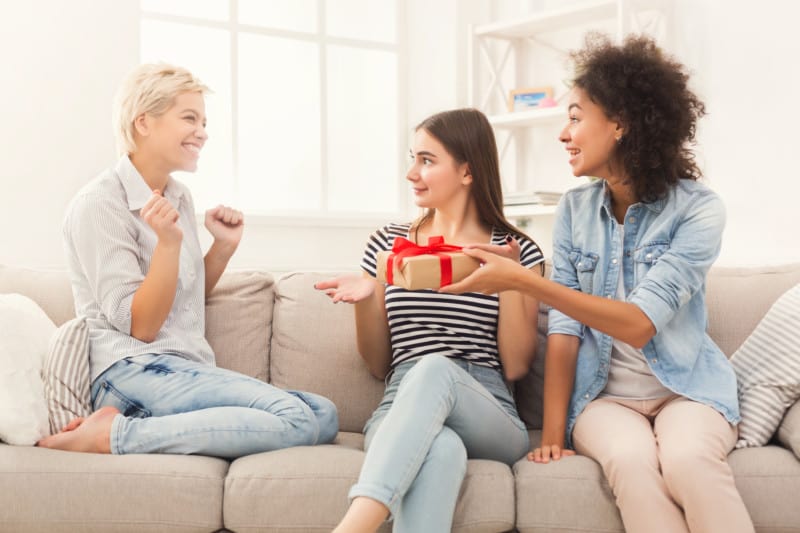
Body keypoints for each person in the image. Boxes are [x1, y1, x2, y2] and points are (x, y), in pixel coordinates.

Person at [441, 34, 754, 533]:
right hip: (604, 398)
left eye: (575, 116)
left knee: (688, 462)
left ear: (621, 124)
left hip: (687, 391)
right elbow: (564, 330)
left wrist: (527, 282)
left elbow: (638, 324)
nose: (563, 134)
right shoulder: (574, 209)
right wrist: (553, 430)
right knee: (631, 464)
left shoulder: (698, 209)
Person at [37, 63, 338, 458]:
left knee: (323, 413)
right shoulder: (100, 203)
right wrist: (168, 246)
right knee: (296, 418)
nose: (203, 132)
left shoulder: (177, 195)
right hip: (131, 368)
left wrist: (222, 248)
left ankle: (139, 430)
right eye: (189, 118)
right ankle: (111, 436)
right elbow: (142, 326)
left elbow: (182, 299)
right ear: (144, 122)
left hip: (184, 367)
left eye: (204, 121)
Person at [315, 108, 545, 532]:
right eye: (412, 158)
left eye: (426, 160)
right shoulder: (388, 244)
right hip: (401, 402)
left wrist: (511, 278)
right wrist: (368, 299)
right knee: (440, 448)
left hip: (489, 409)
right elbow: (378, 364)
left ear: (467, 172)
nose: (411, 173)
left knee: (436, 367)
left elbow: (514, 366)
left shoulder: (518, 251)